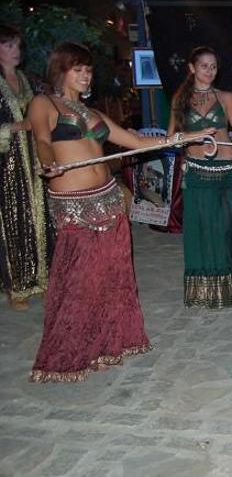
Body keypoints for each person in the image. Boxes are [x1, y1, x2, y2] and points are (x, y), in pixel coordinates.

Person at [27, 42, 207, 381]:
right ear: (60, 70)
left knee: (111, 277)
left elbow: (137, 143)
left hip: (108, 199)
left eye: (88, 69)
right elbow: (42, 139)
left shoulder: (94, 114)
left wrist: (188, 136)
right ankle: (69, 353)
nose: (84, 75)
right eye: (77, 68)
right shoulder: (44, 103)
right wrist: (47, 162)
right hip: (75, 203)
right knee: (79, 279)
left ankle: (106, 344)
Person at [168, 46, 232, 309]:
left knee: (228, 228)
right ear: (192, 68)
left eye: (213, 66)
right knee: (202, 230)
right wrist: (187, 138)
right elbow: (171, 138)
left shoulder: (225, 97)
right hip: (196, 173)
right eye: (203, 66)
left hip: (224, 171)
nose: (209, 71)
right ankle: (207, 291)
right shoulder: (180, 99)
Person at [0, 24, 50, 311]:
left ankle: (40, 279)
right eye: (8, 46)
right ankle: (16, 286)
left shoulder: (25, 79)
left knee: (38, 217)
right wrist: (15, 127)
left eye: (17, 45)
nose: (15, 51)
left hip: (31, 159)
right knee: (12, 221)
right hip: (6, 164)